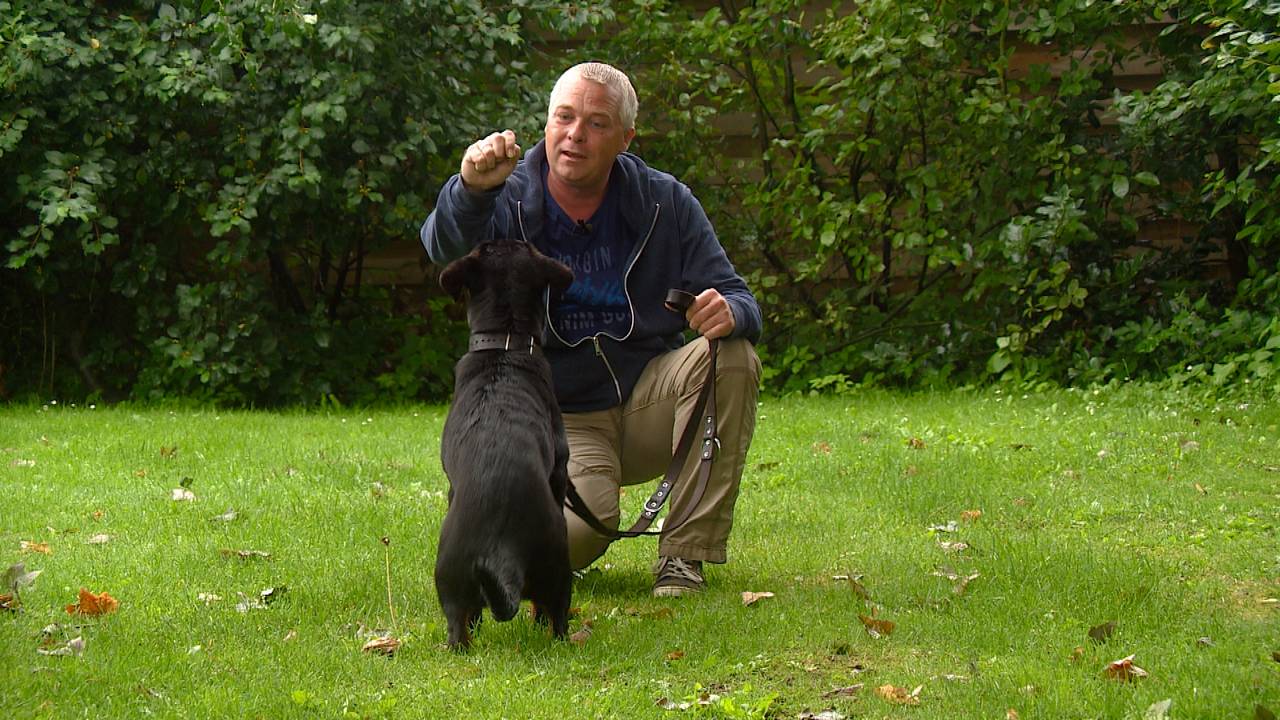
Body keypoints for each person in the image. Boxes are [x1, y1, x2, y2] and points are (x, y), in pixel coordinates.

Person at [421, 62, 762, 598]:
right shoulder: (504, 196)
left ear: (626, 138)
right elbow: (441, 249)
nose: (576, 135)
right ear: (547, 123)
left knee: (732, 353)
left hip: (650, 398)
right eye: (565, 117)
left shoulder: (664, 202)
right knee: (562, 545)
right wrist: (469, 189)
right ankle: (498, 548)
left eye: (597, 123)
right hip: (560, 421)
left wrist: (730, 311)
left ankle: (684, 557)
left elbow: (740, 296)